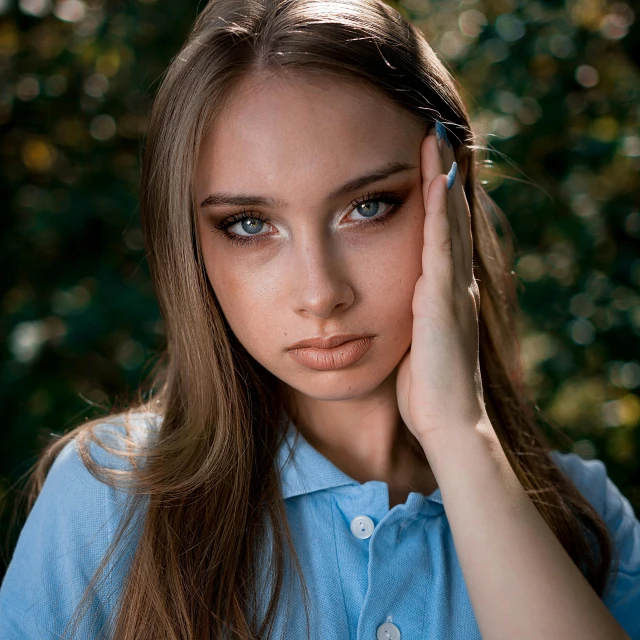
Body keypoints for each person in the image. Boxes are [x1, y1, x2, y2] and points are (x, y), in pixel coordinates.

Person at [1, 0, 639, 638]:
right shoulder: (109, 503)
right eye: (250, 225)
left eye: (367, 207)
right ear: (192, 242)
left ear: (452, 191)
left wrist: (460, 435)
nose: (320, 293)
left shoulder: (587, 520)